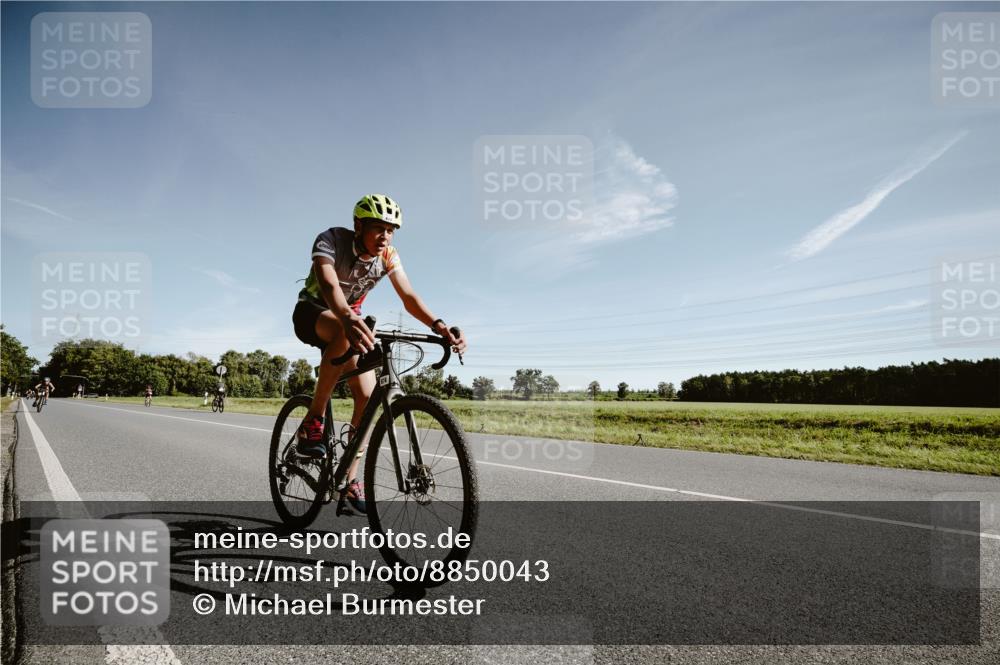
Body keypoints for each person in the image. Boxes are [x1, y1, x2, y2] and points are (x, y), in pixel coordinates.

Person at [291, 194, 466, 514]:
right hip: (313, 313)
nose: (384, 235)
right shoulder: (331, 239)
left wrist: (438, 325)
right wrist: (345, 317)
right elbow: (329, 285)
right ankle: (313, 421)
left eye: (391, 230)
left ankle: (349, 479)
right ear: (358, 226)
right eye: (377, 228)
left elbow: (408, 295)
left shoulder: (388, 255)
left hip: (349, 322)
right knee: (348, 329)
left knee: (368, 396)